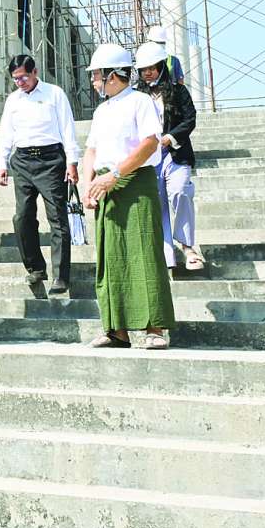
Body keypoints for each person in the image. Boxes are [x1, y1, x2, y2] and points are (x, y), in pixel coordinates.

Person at [82, 44, 175, 350]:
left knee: (144, 252)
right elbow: (91, 150)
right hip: (105, 184)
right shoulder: (101, 110)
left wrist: (115, 174)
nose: (93, 81)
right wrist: (88, 185)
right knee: (111, 258)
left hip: (134, 182)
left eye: (96, 75)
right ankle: (116, 330)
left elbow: (149, 144)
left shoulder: (140, 101)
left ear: (112, 75)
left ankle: (154, 328)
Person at [0, 54, 80, 299]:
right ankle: (35, 268)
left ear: (35, 72)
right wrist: (1, 163)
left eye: (23, 77)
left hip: (51, 160)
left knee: (57, 217)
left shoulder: (54, 94)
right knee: (22, 217)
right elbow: (6, 132)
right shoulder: (13, 100)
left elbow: (68, 128)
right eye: (15, 79)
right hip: (22, 160)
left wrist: (72, 162)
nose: (20, 82)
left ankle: (61, 275)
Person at [136, 42, 203, 271]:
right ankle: (167, 255)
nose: (148, 73)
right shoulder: (136, 96)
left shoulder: (177, 90)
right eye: (143, 69)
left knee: (180, 191)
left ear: (161, 67)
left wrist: (169, 138)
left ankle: (187, 246)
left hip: (175, 152)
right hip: (148, 156)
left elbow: (190, 119)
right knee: (158, 203)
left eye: (152, 68)